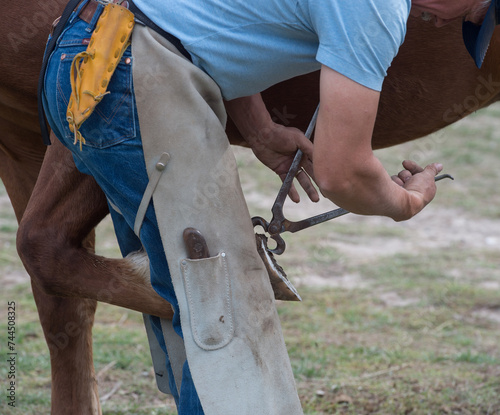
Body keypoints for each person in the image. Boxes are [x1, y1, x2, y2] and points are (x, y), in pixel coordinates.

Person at [40, 0, 494, 413]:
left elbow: (201, 23)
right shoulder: (379, 8)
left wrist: (259, 130)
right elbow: (343, 170)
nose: (447, 23)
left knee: (199, 304)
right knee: (225, 313)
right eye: (473, 15)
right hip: (133, 74)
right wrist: (406, 201)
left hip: (93, 50)